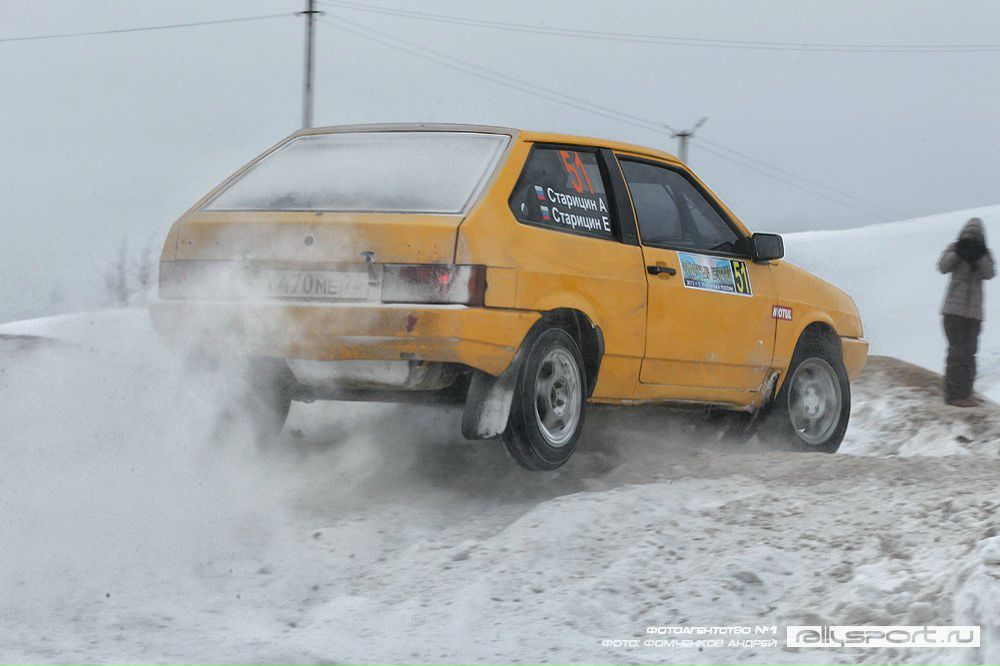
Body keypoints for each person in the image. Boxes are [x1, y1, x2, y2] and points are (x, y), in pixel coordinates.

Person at [938, 217, 995, 406]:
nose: (971, 238)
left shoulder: (984, 254)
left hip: (973, 315)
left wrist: (978, 255)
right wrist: (959, 251)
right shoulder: (955, 248)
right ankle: (954, 395)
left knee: (970, 354)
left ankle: (966, 392)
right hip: (953, 312)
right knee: (957, 353)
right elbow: (942, 266)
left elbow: (990, 273)